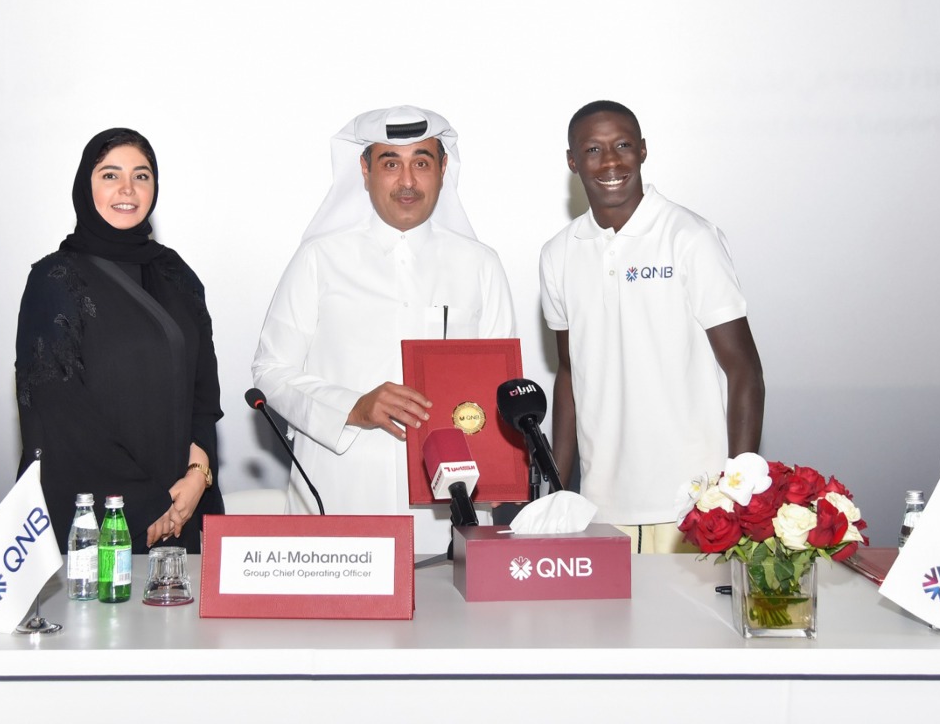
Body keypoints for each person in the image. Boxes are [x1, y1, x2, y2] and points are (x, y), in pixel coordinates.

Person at [252, 106, 516, 553]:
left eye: (422, 163)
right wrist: (353, 407)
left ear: (443, 168)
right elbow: (269, 372)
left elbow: (500, 390)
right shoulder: (320, 259)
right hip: (338, 497)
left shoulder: (481, 265)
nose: (407, 181)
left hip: (448, 511)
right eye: (391, 164)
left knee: (450, 623)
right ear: (364, 169)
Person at [540, 101, 765, 553]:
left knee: (692, 627)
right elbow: (568, 375)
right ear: (572, 161)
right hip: (600, 509)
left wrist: (736, 494)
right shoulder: (558, 253)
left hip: (695, 506)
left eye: (622, 145)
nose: (610, 162)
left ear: (642, 151)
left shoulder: (690, 237)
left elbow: (744, 371)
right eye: (593, 150)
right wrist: (557, 493)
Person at [15, 128, 223, 553]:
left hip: (187, 509)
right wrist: (148, 507)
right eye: (110, 175)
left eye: (141, 176)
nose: (128, 189)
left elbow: (203, 394)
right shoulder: (56, 279)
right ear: (85, 186)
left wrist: (196, 479)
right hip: (99, 519)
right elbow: (59, 416)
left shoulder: (175, 275)